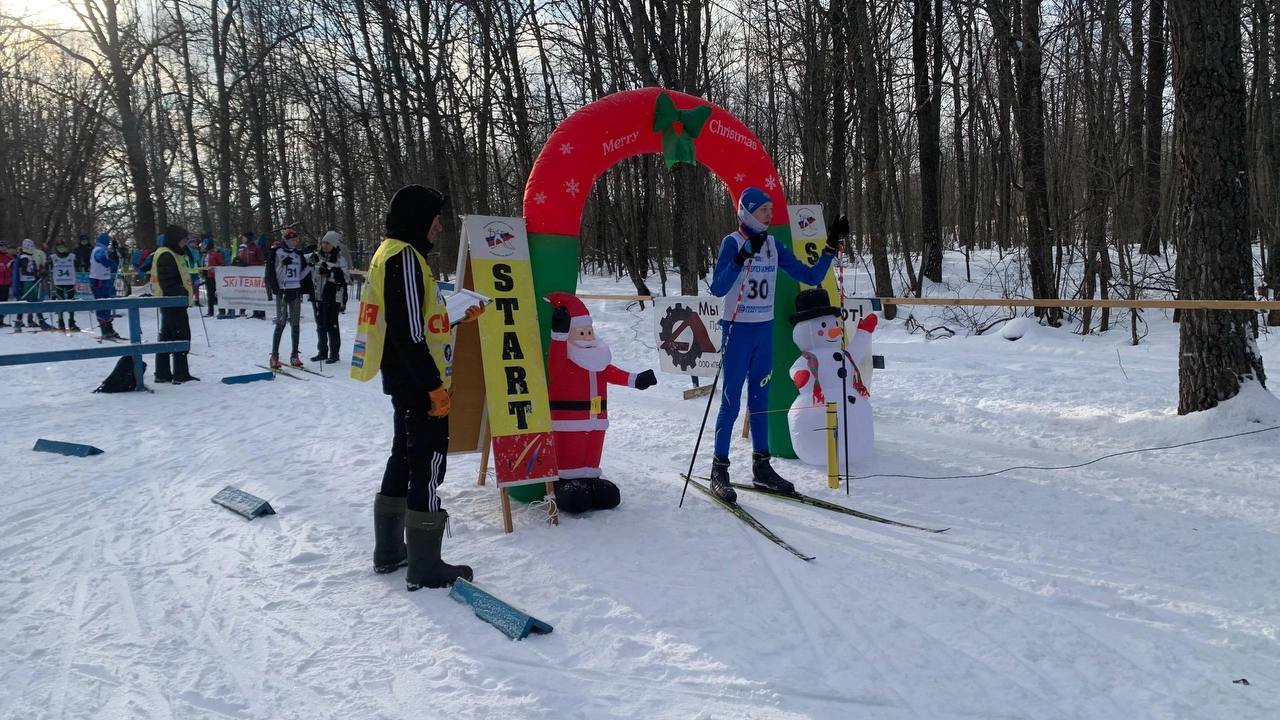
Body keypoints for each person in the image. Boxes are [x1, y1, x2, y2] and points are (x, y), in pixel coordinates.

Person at [357, 184, 483, 590]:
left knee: (403, 458)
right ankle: (426, 566)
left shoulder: (389, 254)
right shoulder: (405, 259)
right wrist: (434, 389)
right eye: (434, 220)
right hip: (417, 383)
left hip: (403, 380)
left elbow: (419, 320)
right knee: (427, 466)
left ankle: (391, 551)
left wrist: (458, 316)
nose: (440, 227)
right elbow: (409, 334)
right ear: (418, 220)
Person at [705, 188, 846, 503]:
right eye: (764, 210)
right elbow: (718, 287)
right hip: (737, 331)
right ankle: (720, 468)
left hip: (763, 332)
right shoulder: (732, 243)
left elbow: (809, 274)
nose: (770, 215)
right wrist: (741, 258)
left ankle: (761, 467)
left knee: (762, 401)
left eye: (770, 209)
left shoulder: (773, 245)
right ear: (747, 212)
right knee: (731, 402)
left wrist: (830, 246)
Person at [545, 292, 657, 514]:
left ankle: (590, 478)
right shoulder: (564, 358)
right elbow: (554, 365)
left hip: (596, 422)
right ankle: (565, 483)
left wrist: (636, 380)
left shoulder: (598, 360)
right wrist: (557, 336)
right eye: (581, 332)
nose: (587, 337)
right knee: (571, 457)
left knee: (593, 459)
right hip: (570, 423)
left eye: (589, 332)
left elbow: (612, 373)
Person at [151, 225, 199, 384]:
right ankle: (180, 374)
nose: (185, 244)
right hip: (172, 302)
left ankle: (162, 373)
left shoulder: (173, 253)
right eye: (183, 240)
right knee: (180, 337)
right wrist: (183, 293)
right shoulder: (166, 255)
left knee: (167, 338)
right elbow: (168, 282)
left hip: (172, 302)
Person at [265, 227, 311, 369]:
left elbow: (300, 275)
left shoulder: (298, 255)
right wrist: (281, 265)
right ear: (286, 240)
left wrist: (310, 266)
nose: (295, 242)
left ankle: (294, 355)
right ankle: (274, 356)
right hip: (282, 292)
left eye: (296, 239)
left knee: (295, 324)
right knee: (281, 323)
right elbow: (272, 272)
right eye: (292, 240)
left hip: (295, 291)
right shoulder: (277, 252)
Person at [310, 230, 349, 363]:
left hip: (333, 295)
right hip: (318, 295)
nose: (325, 245)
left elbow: (346, 278)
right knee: (320, 324)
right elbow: (311, 272)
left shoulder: (339, 258)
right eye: (323, 243)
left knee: (332, 324)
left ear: (334, 245)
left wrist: (331, 274)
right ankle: (322, 351)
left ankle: (334, 353)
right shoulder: (317, 256)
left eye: (328, 243)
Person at [89, 233, 122, 339]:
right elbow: (101, 259)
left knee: (106, 304)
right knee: (102, 304)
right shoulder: (98, 250)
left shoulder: (102, 249)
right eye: (107, 242)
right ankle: (104, 328)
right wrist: (110, 263)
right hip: (98, 280)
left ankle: (108, 327)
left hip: (104, 279)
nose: (108, 244)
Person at [15, 239, 50, 330]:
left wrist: (40, 273)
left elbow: (32, 269)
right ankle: (19, 322)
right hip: (27, 282)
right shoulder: (24, 257)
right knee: (25, 302)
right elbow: (25, 271)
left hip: (33, 281)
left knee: (36, 301)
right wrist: (37, 274)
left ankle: (40, 320)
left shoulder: (29, 256)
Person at [49, 239, 79, 331]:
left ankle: (72, 322)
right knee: (60, 303)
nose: (61, 249)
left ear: (66, 247)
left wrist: (80, 263)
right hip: (59, 283)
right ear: (56, 248)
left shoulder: (72, 256)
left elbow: (78, 265)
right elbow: (47, 266)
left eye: (62, 247)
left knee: (71, 303)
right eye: (59, 247)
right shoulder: (53, 257)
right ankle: (61, 321)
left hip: (70, 282)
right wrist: (45, 268)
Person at [203, 238, 225, 317]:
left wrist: (215, 268)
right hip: (208, 277)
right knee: (210, 294)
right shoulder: (206, 254)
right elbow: (205, 265)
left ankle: (222, 311)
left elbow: (222, 264)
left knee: (218, 293)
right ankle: (210, 312)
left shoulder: (215, 254)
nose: (204, 246)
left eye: (205, 244)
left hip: (215, 277)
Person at [0, 241, 12, 328]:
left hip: (6, 283)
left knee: (4, 302)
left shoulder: (8, 257)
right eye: (2, 246)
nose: (4, 248)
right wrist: (4, 267)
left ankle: (1, 320)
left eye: (5, 247)